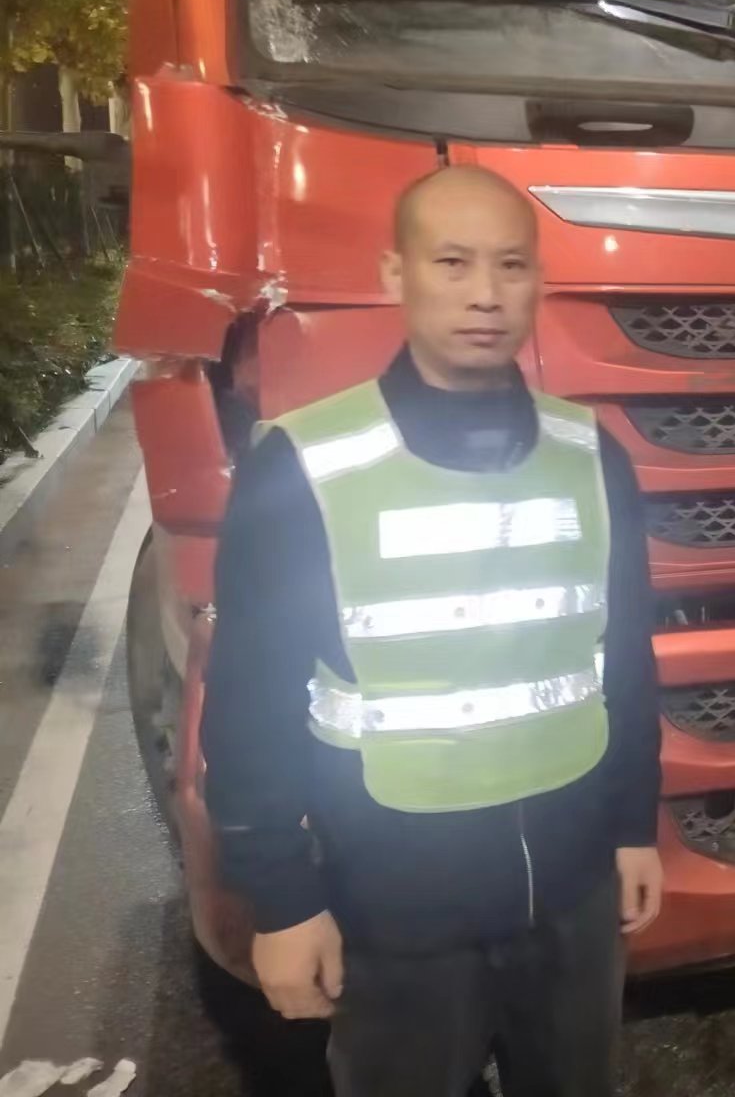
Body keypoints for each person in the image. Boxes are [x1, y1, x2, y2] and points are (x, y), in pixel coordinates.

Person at [201, 164, 663, 1097]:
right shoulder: (305, 464)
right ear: (395, 274)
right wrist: (283, 901)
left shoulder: (593, 456)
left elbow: (622, 662)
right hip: (392, 909)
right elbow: (249, 702)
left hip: (572, 896)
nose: (485, 294)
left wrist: (631, 827)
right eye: (452, 262)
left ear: (539, 282)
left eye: (511, 265)